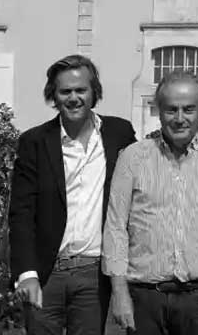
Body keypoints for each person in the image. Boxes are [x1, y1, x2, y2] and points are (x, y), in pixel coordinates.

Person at [104, 71, 198, 335]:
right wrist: (119, 292)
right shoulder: (134, 158)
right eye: (171, 110)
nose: (180, 118)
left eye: (189, 109)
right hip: (145, 299)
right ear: (158, 111)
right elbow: (115, 228)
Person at [9, 54, 136, 335]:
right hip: (47, 274)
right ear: (54, 96)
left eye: (81, 90)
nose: (73, 98)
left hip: (94, 275)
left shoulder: (119, 133)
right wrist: (27, 274)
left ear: (94, 93)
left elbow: (148, 165)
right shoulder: (35, 142)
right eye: (65, 91)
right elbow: (21, 213)